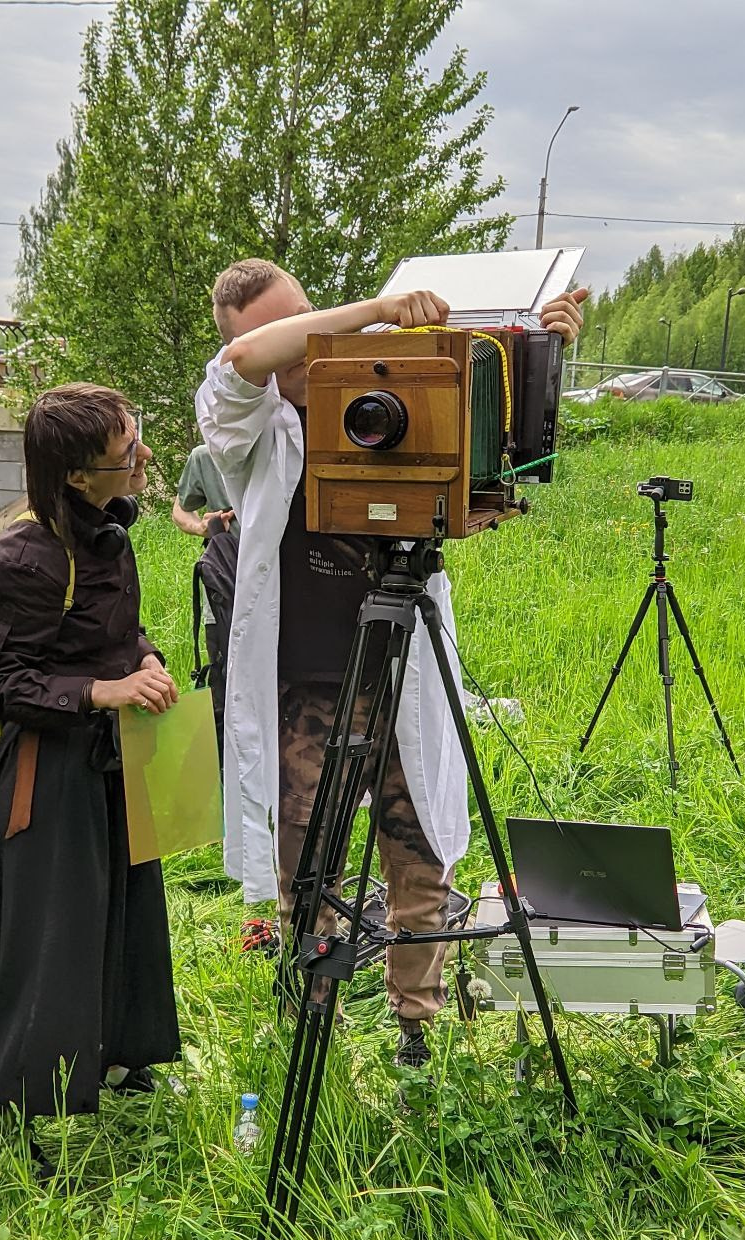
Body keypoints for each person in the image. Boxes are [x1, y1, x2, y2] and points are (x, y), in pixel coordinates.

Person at [196, 259, 586, 1067]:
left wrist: (533, 349)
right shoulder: (250, 427)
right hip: (310, 683)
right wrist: (373, 306)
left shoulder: (389, 384)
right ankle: (310, 1013)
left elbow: (483, 430)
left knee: (419, 852)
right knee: (311, 862)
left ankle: (416, 1026)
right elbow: (241, 368)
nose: (325, 342)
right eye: (296, 332)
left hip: (404, 667)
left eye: (317, 317)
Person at [0, 382, 182, 1181]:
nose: (143, 453)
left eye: (135, 433)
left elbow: (111, 632)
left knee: (126, 907)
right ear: (79, 477)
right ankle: (15, 1100)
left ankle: (118, 1057)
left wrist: (143, 657)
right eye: (128, 446)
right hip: (48, 775)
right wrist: (101, 692)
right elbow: (3, 685)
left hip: (116, 759)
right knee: (54, 935)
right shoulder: (18, 557)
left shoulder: (110, 532)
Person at [172, 444, 239, 761]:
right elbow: (180, 509)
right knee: (225, 688)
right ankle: (223, 780)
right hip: (223, 592)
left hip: (284, 591)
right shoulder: (204, 456)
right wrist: (202, 527)